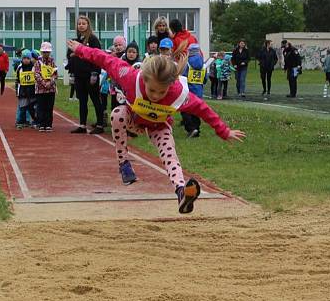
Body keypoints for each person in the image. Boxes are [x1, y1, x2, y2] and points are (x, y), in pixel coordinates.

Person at [67, 39, 245, 214]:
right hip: (133, 119)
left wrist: (224, 131)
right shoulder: (130, 77)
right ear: (144, 79)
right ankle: (124, 164)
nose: (156, 96)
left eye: (162, 92)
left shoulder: (178, 94)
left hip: (158, 125)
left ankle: (182, 192)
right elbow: (104, 59)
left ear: (170, 86)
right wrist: (82, 49)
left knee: (170, 154)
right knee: (117, 114)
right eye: (151, 90)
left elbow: (203, 109)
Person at [65, 15, 105, 134]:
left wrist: (94, 73)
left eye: (83, 23)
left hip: (90, 75)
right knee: (82, 100)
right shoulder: (75, 41)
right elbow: (69, 56)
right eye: (79, 23)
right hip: (79, 75)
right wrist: (71, 72)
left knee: (95, 100)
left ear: (88, 25)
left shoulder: (93, 40)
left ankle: (100, 125)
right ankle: (82, 125)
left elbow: (98, 57)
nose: (81, 25)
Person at [182, 42, 206, 138]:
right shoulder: (203, 64)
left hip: (188, 91)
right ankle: (197, 129)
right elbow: (205, 79)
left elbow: (183, 76)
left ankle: (191, 128)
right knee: (196, 110)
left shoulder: (187, 63)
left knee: (184, 110)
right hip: (199, 91)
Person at [34, 42, 57, 132]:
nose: (46, 53)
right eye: (44, 52)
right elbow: (36, 74)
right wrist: (44, 83)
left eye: (47, 52)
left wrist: (50, 83)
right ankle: (41, 124)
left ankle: (48, 124)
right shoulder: (38, 63)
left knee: (49, 107)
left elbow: (55, 74)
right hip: (40, 89)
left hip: (51, 89)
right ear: (41, 52)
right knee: (41, 107)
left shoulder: (52, 62)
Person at [15, 50, 36, 129]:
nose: (26, 60)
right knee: (22, 107)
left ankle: (35, 121)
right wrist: (17, 92)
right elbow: (17, 80)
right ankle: (21, 121)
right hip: (23, 91)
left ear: (30, 59)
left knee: (32, 108)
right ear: (21, 59)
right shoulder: (19, 68)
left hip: (32, 91)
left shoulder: (34, 67)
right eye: (24, 58)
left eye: (28, 58)